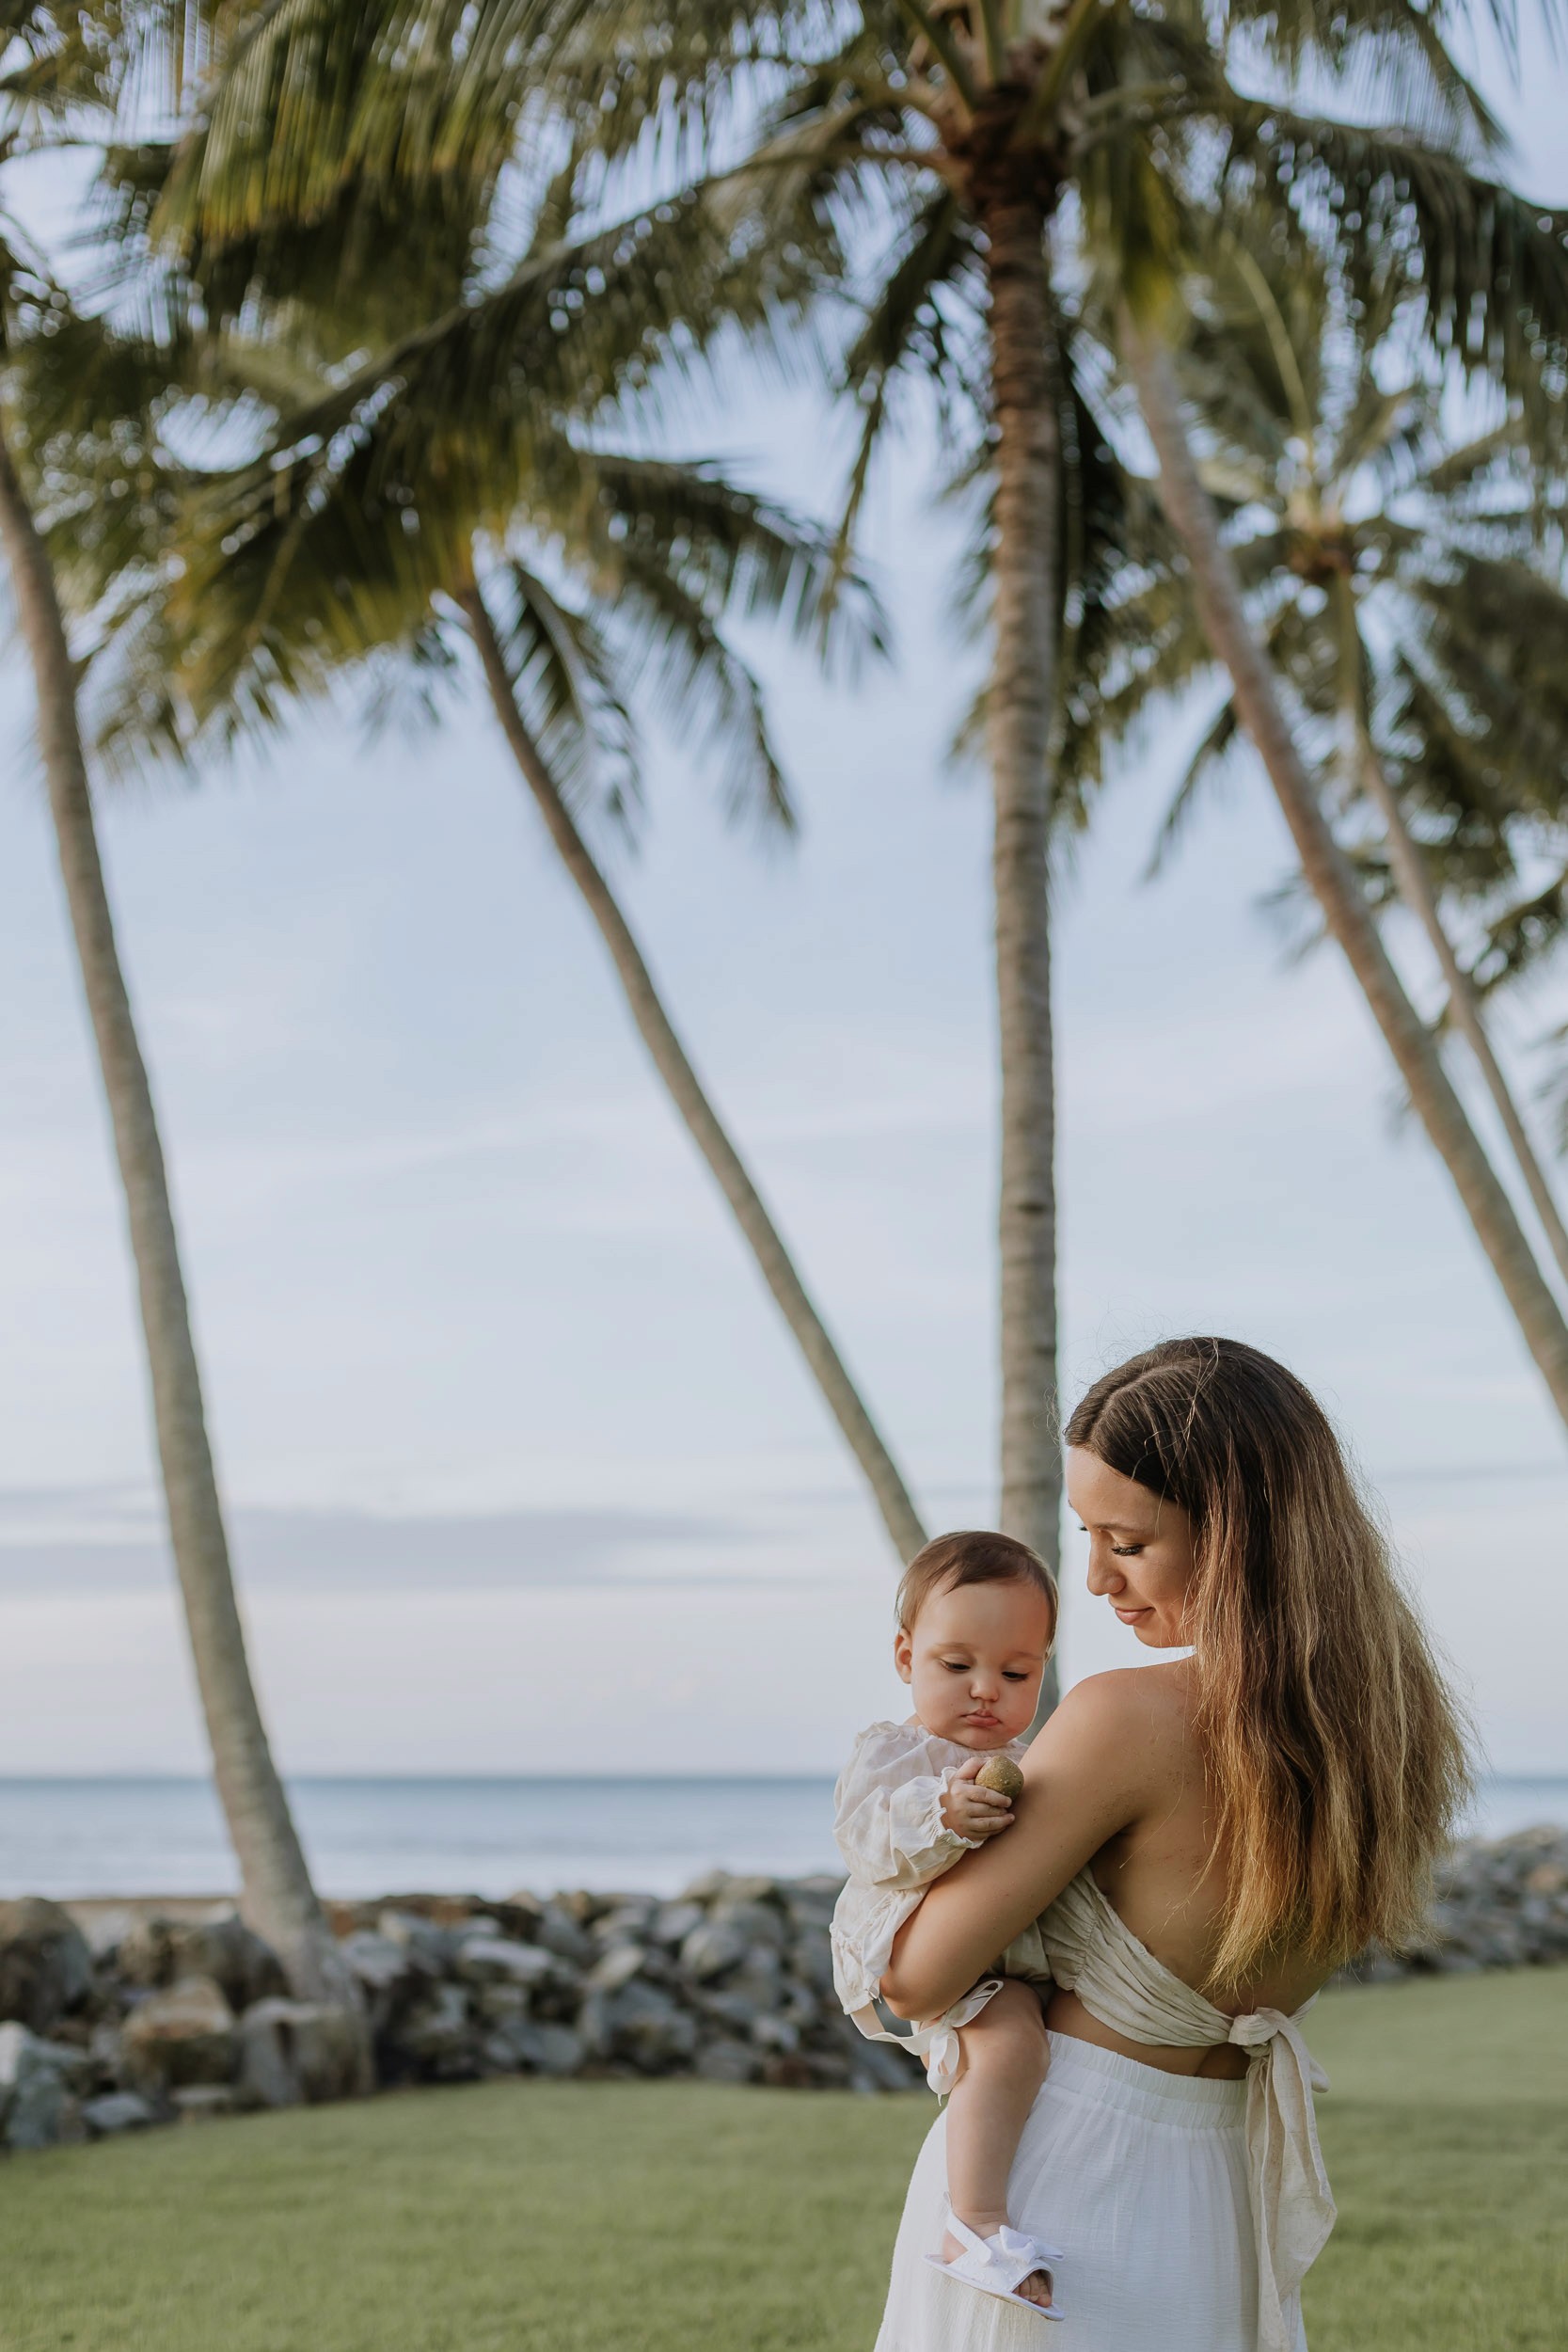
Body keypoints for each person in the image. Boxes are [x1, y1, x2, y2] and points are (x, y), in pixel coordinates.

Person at [873, 1338, 1470, 2352]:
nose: (1095, 1578)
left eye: (1127, 1540)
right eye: (1086, 1535)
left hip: (1045, 2179)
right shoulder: (1388, 1737)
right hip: (1214, 2193)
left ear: (1236, 1534)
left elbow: (915, 1978)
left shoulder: (1123, 1719)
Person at [832, 1532, 1063, 2318]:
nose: (984, 1691)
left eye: (1015, 1671)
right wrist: (942, 1811)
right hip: (917, 1941)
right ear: (906, 1658)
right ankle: (976, 2222)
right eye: (955, 1666)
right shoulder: (898, 1754)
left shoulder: (1039, 1759)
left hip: (1013, 1957)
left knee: (1042, 2044)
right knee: (1007, 2045)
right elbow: (865, 1836)